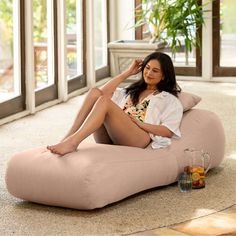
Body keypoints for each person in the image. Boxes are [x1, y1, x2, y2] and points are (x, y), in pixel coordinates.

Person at [47, 52, 183, 155]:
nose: (148, 73)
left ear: (164, 75)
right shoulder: (131, 91)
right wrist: (127, 73)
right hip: (113, 135)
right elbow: (100, 93)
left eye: (155, 70)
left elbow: (168, 131)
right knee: (95, 93)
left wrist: (141, 124)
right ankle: (68, 137)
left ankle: (72, 142)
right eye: (147, 68)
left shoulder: (169, 100)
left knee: (105, 102)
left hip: (138, 137)